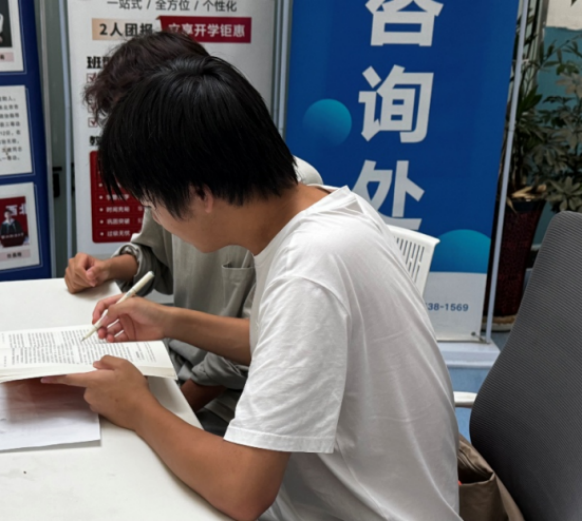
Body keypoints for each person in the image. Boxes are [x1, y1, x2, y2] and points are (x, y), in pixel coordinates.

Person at [44, 55, 460, 521]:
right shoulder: (328, 211)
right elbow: (282, 343)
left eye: (151, 203)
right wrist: (167, 319)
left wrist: (139, 407)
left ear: (200, 194)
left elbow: (242, 491)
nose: (154, 217)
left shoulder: (308, 269)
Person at [64, 32, 322, 432]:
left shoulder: (286, 215)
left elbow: (261, 349)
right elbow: (157, 258)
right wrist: (110, 270)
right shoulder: (181, 183)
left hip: (236, 396)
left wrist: (158, 411)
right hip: (183, 366)